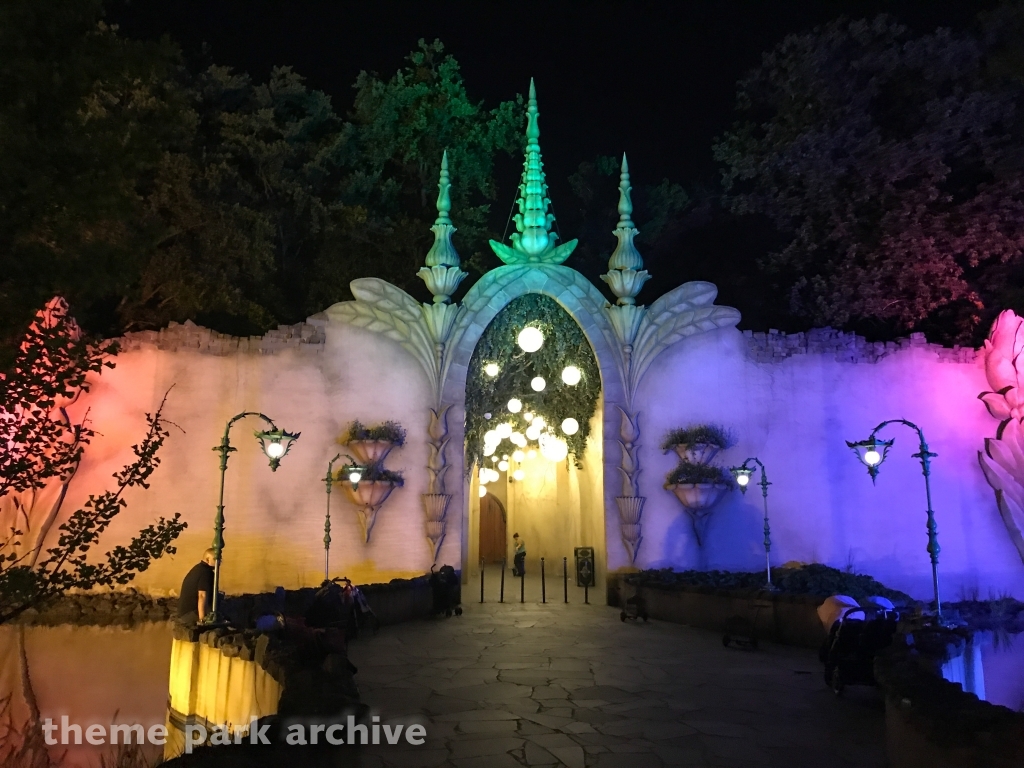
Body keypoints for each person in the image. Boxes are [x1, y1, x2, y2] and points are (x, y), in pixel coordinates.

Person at [178, 548, 216, 626]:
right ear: (207, 559)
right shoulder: (206, 573)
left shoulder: (198, 568)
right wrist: (202, 620)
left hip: (183, 613)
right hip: (190, 614)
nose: (219, 562)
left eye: (220, 559)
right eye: (215, 559)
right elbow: (202, 596)